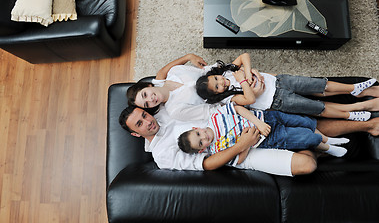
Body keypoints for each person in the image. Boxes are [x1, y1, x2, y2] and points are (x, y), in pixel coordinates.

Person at [119, 105, 379, 176]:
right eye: (140, 124)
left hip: (240, 121)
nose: (148, 121)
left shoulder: (164, 113)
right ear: (135, 133)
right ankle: (314, 147)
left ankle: (368, 125)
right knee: (307, 166)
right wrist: (241, 147)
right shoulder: (162, 154)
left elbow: (162, 83)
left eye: (144, 115)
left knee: (304, 121)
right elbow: (206, 165)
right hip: (238, 152)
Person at [195, 53, 379, 121]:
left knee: (319, 85)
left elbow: (244, 56)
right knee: (316, 107)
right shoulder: (229, 98)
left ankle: (352, 88)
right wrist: (243, 81)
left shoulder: (228, 72)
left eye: (217, 79)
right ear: (217, 95)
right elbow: (250, 99)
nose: (222, 83)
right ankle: (349, 114)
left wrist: (250, 72)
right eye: (218, 87)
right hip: (278, 100)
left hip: (280, 81)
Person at [177, 103, 349, 168]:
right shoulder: (216, 149)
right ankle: (329, 148)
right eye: (200, 142)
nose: (204, 137)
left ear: (196, 127)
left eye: (198, 133)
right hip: (269, 138)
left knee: (306, 122)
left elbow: (238, 109)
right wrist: (246, 144)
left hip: (266, 118)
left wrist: (258, 122)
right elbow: (238, 160)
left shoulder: (215, 117)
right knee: (305, 137)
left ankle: (329, 139)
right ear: (202, 150)